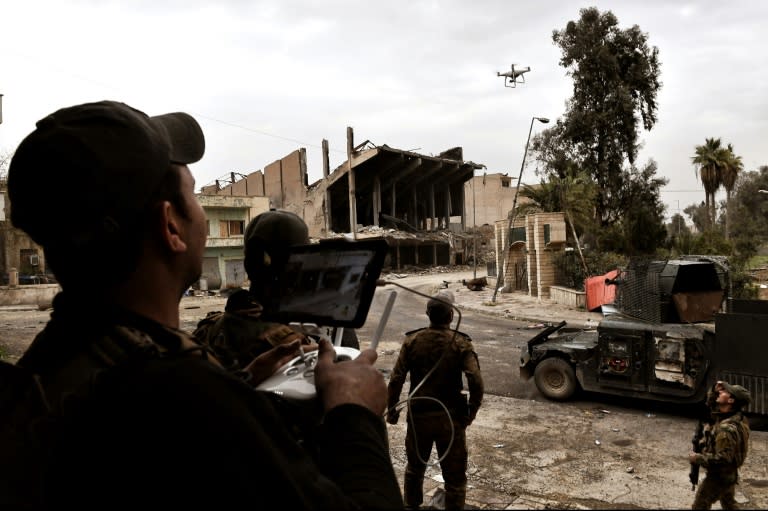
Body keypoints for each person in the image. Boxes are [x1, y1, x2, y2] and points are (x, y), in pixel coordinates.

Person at [3, 100, 402, 510]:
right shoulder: (185, 400)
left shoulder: (51, 364)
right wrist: (355, 414)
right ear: (170, 226)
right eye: (192, 193)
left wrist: (241, 387)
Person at [193, 209, 358, 372]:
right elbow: (349, 374)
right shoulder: (290, 348)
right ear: (296, 267)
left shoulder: (208, 329)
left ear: (246, 264)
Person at [386, 291, 484, 510]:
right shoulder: (460, 343)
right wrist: (471, 412)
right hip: (450, 419)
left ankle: (411, 507)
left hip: (419, 416)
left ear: (427, 314)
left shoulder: (412, 341)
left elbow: (396, 379)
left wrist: (392, 409)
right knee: (455, 477)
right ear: (451, 316)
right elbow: (475, 380)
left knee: (414, 469)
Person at [689, 380, 751, 510]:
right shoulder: (736, 416)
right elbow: (710, 404)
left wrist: (697, 458)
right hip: (729, 474)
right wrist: (715, 389)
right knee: (729, 504)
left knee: (700, 505)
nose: (720, 391)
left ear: (731, 401)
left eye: (725, 391)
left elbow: (722, 460)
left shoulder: (726, 430)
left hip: (719, 476)